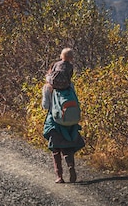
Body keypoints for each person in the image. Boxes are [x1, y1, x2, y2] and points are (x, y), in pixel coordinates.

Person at [42, 48, 85, 183]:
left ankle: (59, 176)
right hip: (68, 119)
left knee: (56, 149)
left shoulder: (48, 87)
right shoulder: (70, 85)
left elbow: (45, 106)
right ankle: (71, 168)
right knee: (68, 147)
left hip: (54, 120)